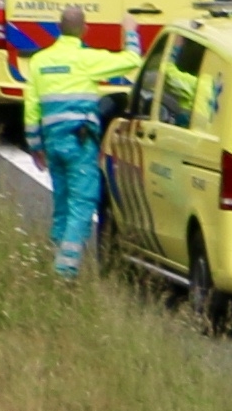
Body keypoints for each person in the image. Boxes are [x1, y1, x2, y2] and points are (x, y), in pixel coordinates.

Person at [16, 22, 140, 281]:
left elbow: (31, 108)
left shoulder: (39, 61)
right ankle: (65, 270)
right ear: (83, 30)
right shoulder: (86, 59)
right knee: (82, 204)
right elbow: (131, 60)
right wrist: (130, 31)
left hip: (52, 143)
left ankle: (54, 257)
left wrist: (35, 145)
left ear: (60, 28)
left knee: (62, 204)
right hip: (80, 142)